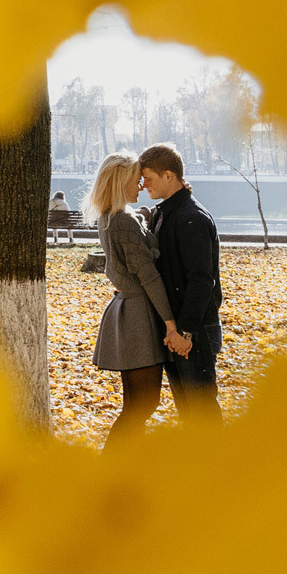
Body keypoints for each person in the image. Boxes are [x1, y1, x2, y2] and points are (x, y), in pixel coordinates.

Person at [85, 153, 188, 448]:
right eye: (135, 179)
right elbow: (149, 276)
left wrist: (145, 217)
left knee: (135, 405)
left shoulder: (109, 217)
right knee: (142, 405)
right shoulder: (124, 222)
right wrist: (170, 324)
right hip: (139, 317)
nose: (141, 185)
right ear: (121, 182)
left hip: (126, 312)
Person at [138, 142, 224, 423]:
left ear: (168, 175)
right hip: (177, 329)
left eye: (148, 178)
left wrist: (185, 333)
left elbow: (202, 281)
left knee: (202, 412)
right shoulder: (166, 213)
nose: (143, 184)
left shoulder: (191, 218)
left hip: (194, 329)